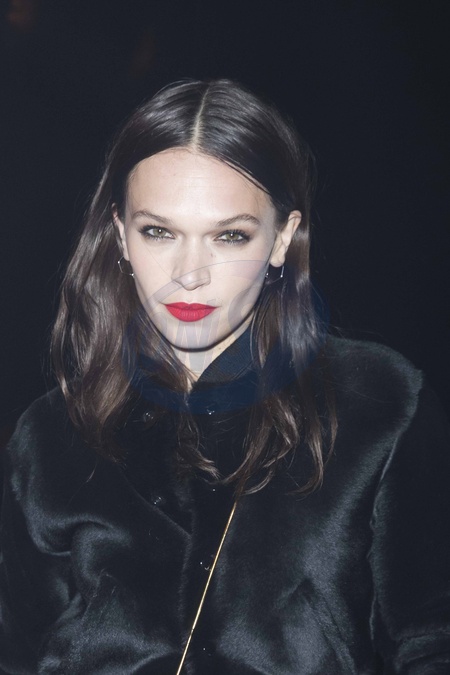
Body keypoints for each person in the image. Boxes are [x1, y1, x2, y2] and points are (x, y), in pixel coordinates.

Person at [1, 79, 449, 675]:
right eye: (159, 231)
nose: (191, 273)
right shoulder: (50, 436)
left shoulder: (380, 405)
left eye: (229, 235)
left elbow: (432, 640)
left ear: (281, 239)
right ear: (121, 236)